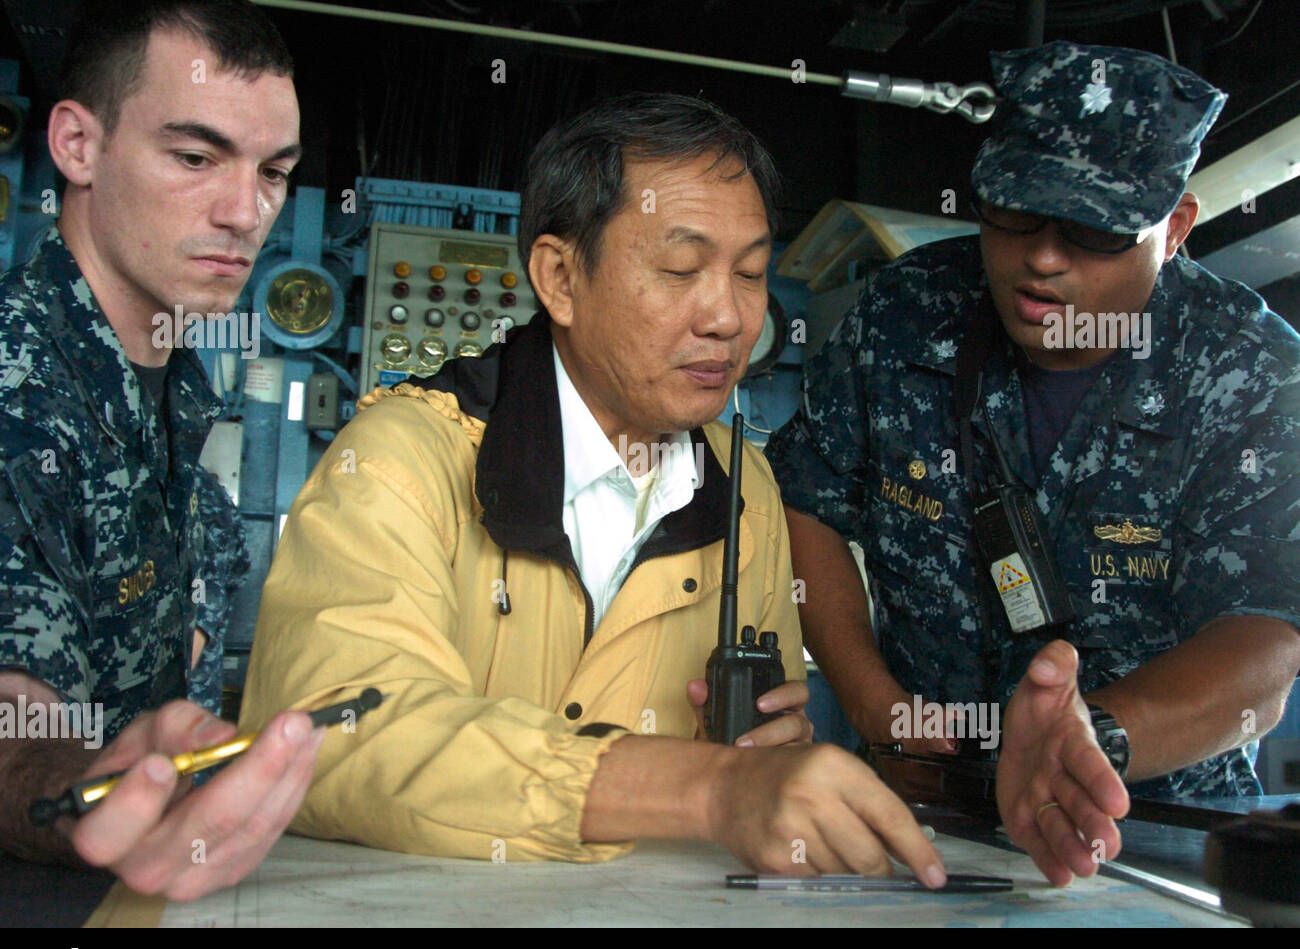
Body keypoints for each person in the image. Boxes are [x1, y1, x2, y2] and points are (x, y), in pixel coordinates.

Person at [240, 93, 949, 883]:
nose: (729, 317)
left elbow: (760, 742)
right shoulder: (399, 460)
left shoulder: (745, 483)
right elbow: (333, 737)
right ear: (560, 277)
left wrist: (766, 758)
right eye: (680, 270)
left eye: (750, 273)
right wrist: (708, 788)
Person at [766, 41, 1300, 886]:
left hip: (1144, 825)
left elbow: (1269, 637)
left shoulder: (1254, 372)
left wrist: (1089, 741)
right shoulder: (902, 315)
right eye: (1015, 212)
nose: (1044, 258)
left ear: (1179, 227)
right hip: (921, 806)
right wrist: (874, 702)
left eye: (1093, 229)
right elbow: (808, 501)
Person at [0, 0, 321, 902]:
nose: (244, 212)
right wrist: (91, 789)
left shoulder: (181, 387)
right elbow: (15, 734)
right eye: (195, 157)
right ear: (77, 145)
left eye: (276, 172)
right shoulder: (16, 385)